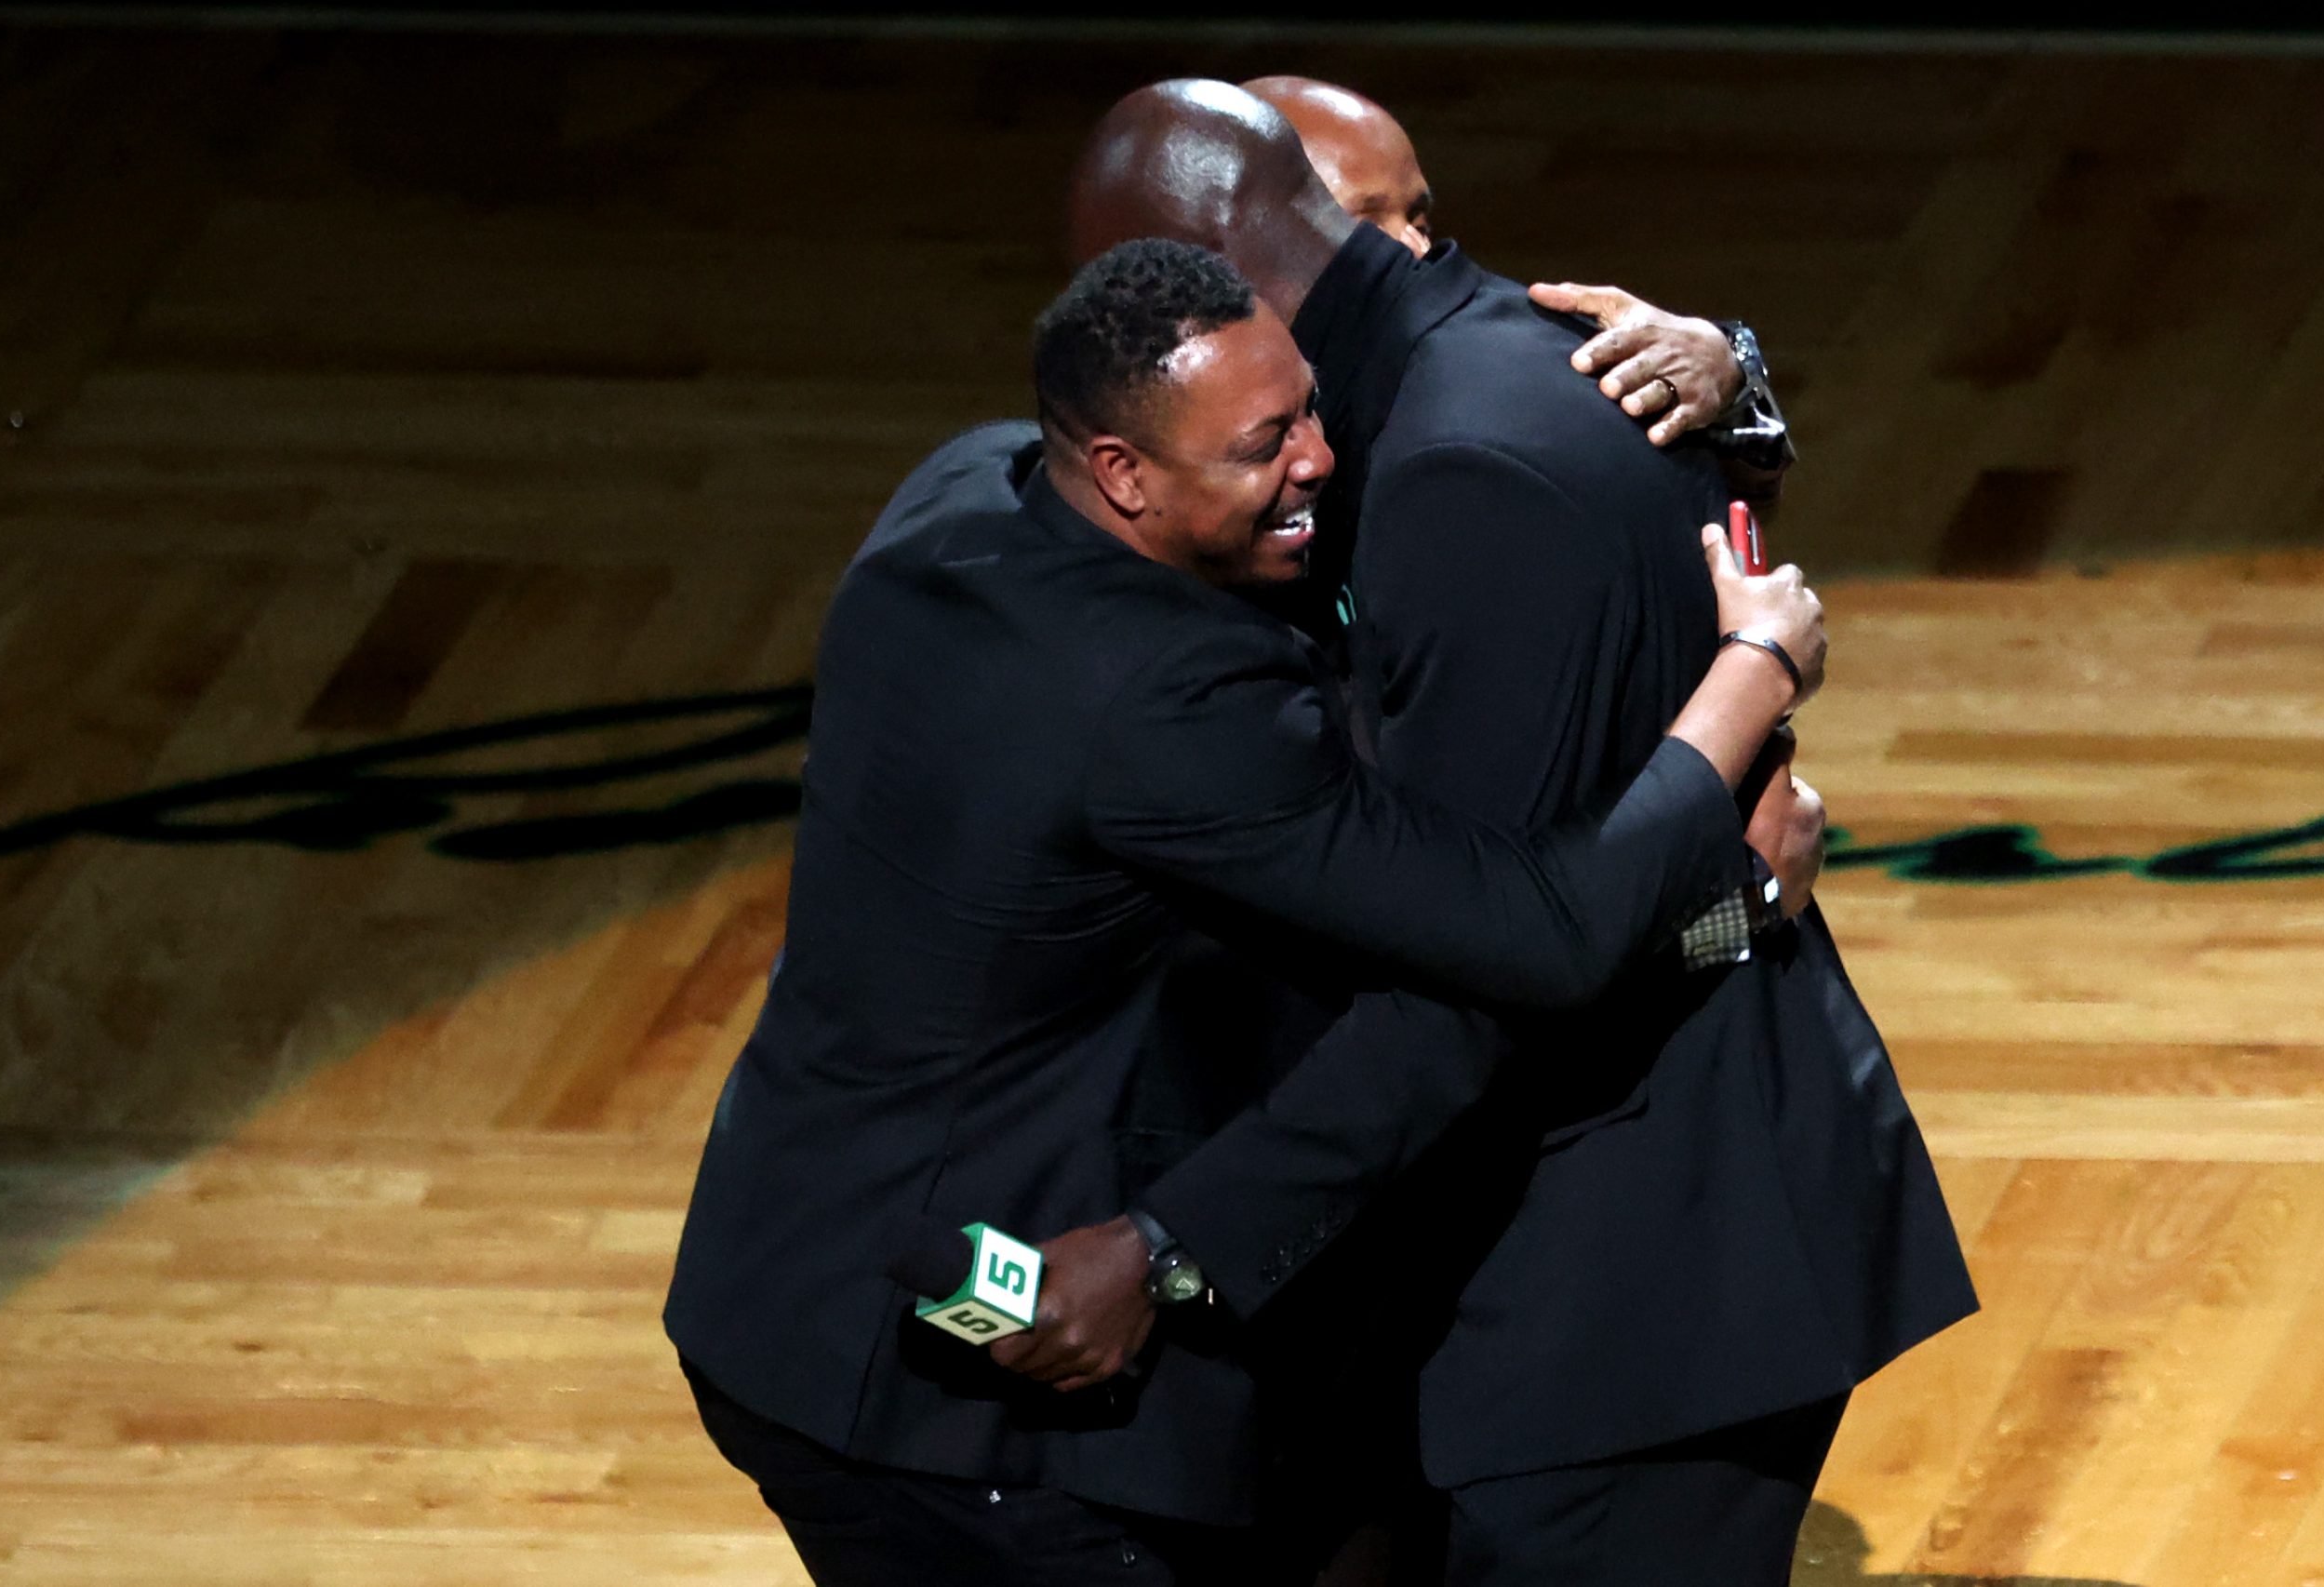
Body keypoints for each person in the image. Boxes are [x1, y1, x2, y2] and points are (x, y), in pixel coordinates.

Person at [664, 236, 1825, 1585]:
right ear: (1122, 473)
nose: (1323, 461)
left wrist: (1729, 381)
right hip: (965, 1388)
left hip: (782, 1262)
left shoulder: (964, 491)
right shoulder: (1174, 710)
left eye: (1311, 408)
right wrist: (1744, 697)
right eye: (1265, 444)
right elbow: (1529, 950)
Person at [1033, 81, 1976, 1587]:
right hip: (1516, 1246)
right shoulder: (1456, 390)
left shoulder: (1464, 469)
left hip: (1631, 1285)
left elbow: (1488, 971)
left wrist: (1167, 1250)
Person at [1240, 73, 1796, 508]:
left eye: (1420, 219)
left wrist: (1730, 371)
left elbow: (1740, 505)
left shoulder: (1490, 377)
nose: (1414, 249)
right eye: (1366, 224)